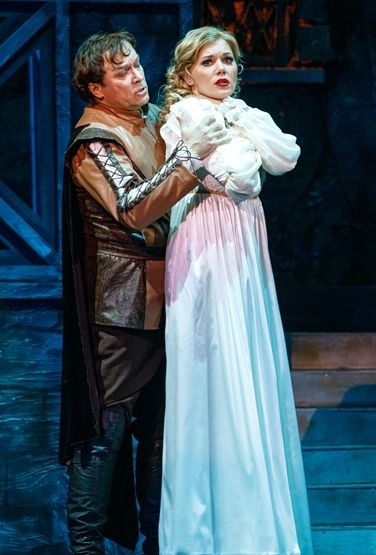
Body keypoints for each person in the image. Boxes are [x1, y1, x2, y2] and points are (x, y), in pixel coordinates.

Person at [58, 30, 227, 555]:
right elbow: (133, 206)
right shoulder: (95, 144)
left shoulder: (154, 121)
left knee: (161, 434)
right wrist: (191, 160)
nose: (137, 76)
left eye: (136, 65)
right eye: (122, 72)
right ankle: (87, 548)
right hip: (121, 310)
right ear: (96, 88)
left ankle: (159, 543)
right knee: (105, 432)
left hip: (172, 298)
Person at [157, 26, 314, 554]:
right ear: (186, 74)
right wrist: (244, 148)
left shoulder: (245, 114)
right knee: (212, 365)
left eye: (227, 60)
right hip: (204, 242)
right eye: (207, 62)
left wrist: (241, 136)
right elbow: (229, 175)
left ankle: (257, 527)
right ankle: (209, 536)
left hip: (244, 243)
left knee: (249, 360)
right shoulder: (184, 114)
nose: (220, 69)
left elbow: (286, 154)